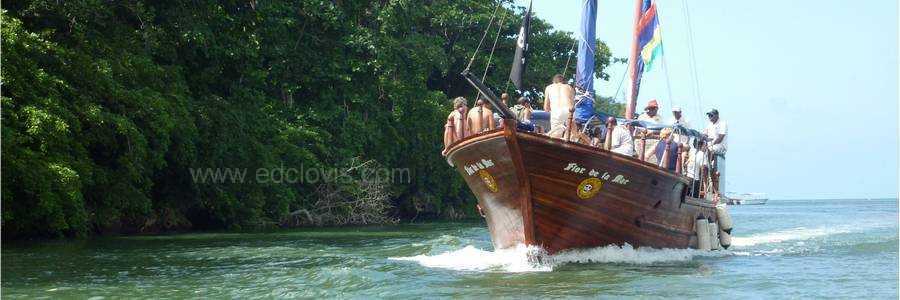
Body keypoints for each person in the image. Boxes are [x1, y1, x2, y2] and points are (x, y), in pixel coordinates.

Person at [704, 108, 727, 196]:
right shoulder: (709, 125)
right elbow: (705, 134)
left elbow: (720, 138)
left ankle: (710, 170)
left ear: (717, 115)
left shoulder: (722, 124)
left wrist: (711, 143)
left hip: (720, 146)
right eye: (709, 115)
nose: (710, 117)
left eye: (711, 115)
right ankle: (705, 169)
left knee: (709, 150)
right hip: (711, 145)